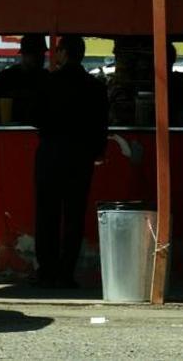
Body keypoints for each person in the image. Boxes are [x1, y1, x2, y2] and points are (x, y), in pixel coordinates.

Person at [33, 35, 108, 288]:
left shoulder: (48, 82)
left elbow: (36, 118)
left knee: (47, 214)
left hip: (51, 153)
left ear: (64, 53)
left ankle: (47, 270)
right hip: (80, 156)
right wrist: (97, 152)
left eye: (57, 50)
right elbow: (101, 125)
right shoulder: (95, 87)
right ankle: (66, 273)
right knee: (74, 214)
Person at [0, 33, 49, 123]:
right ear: (24, 54)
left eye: (42, 53)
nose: (40, 57)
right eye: (35, 53)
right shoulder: (5, 78)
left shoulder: (46, 78)